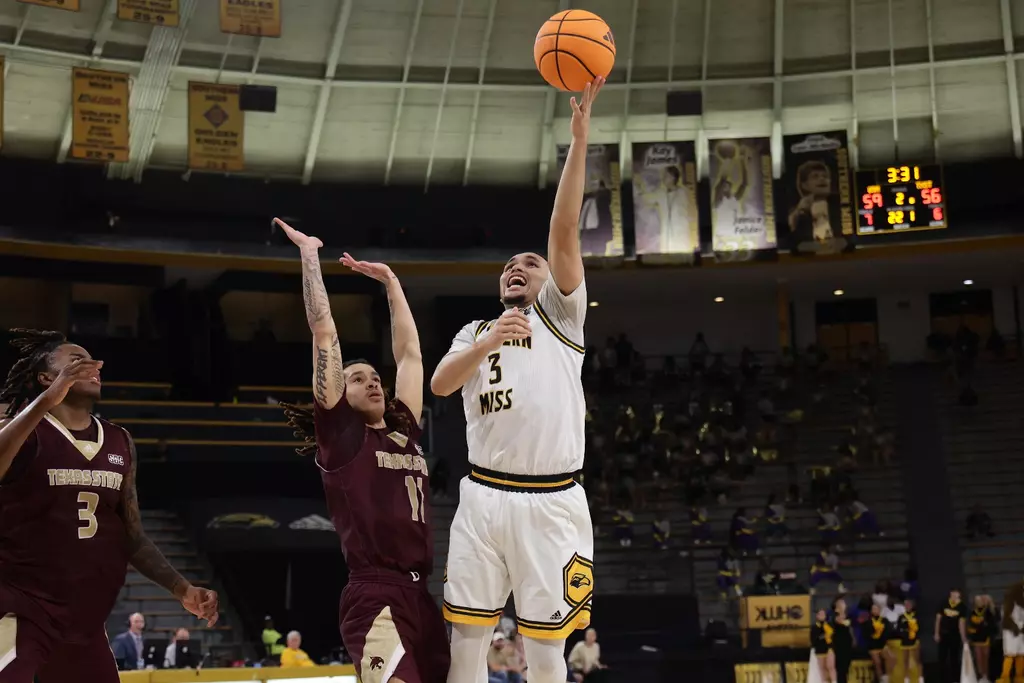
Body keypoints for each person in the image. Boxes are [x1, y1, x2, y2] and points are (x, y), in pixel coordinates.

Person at [431, 78, 605, 683]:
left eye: (527, 265)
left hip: (552, 498)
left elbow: (561, 235)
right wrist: (486, 342)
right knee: (468, 644)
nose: (516, 267)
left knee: (546, 651)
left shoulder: (562, 317)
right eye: (509, 265)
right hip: (482, 496)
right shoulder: (474, 330)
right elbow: (440, 386)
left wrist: (578, 144)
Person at [275, 219, 449, 683]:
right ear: (339, 394)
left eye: (375, 376)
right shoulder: (343, 438)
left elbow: (410, 355)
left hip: (421, 596)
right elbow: (324, 333)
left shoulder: (405, 431)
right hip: (374, 595)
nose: (373, 381)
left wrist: (392, 283)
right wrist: (310, 256)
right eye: (358, 378)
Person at [0, 329, 219, 683]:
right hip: (17, 611)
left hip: (83, 620)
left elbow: (132, 536)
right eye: (76, 361)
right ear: (45, 377)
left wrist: (183, 590)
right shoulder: (22, 431)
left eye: (93, 361)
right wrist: (46, 400)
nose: (91, 366)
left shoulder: (119, 440)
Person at [935, 589, 967, 683]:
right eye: (953, 594)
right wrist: (936, 633)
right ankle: (943, 680)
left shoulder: (962, 607)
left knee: (955, 659)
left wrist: (963, 637)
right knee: (942, 659)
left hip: (955, 635)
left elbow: (961, 623)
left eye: (957, 594)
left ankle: (955, 680)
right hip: (943, 634)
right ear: (950, 594)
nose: (955, 596)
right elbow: (938, 619)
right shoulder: (943, 604)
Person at [967, 595, 997, 683]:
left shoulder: (988, 611)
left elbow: (992, 623)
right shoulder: (971, 612)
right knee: (978, 658)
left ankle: (986, 676)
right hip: (976, 639)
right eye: (977, 600)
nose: (979, 602)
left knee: (986, 657)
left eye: (981, 600)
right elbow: (969, 624)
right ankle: (980, 676)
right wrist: (970, 634)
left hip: (985, 638)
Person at [999, 578, 1024, 683]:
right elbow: (1005, 617)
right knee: (1010, 654)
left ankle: (1019, 677)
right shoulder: (1009, 602)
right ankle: (1005, 678)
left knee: (1021, 654)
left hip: (1022, 631)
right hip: (1011, 632)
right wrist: (1014, 627)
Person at [861, 603, 893, 683]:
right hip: (873, 646)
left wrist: (885, 641)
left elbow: (889, 631)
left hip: (883, 645)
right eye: (873, 609)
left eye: (876, 609)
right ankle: (881, 679)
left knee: (892, 658)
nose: (874, 610)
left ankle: (887, 676)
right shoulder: (868, 622)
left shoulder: (884, 620)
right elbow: (865, 634)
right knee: (877, 663)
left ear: (879, 610)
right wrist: (873, 633)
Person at [897, 599, 923, 683]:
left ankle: (920, 678)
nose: (907, 606)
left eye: (909, 604)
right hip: (904, 641)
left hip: (914, 640)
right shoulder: (901, 617)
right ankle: (906, 679)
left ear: (912, 606)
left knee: (917, 659)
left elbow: (920, 627)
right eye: (905, 605)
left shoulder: (917, 615)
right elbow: (899, 628)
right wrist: (904, 632)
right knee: (905, 660)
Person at [832, 598, 854, 683]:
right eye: (841, 603)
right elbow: (842, 622)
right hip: (839, 645)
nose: (844, 604)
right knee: (841, 668)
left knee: (846, 668)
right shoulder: (835, 616)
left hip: (847, 643)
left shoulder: (847, 615)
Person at [813, 609, 837, 683]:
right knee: (822, 668)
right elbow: (814, 639)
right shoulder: (815, 627)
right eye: (821, 614)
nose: (823, 616)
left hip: (829, 648)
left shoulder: (829, 625)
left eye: (824, 614)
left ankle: (834, 681)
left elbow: (834, 635)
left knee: (830, 666)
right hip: (820, 649)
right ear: (817, 616)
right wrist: (824, 636)